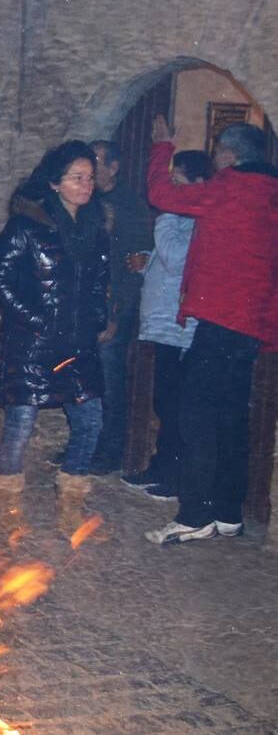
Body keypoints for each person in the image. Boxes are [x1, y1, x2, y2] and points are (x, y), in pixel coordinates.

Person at [143, 117, 278, 545]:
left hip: (221, 321)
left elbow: (160, 194)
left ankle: (195, 512)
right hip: (253, 325)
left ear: (227, 156)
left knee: (194, 413)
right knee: (231, 419)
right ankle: (227, 511)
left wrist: (163, 146)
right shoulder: (271, 192)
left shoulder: (230, 187)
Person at [0, 141, 109, 540]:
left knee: (91, 421)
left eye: (90, 177)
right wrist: (37, 321)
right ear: (55, 183)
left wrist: (99, 317)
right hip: (33, 344)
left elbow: (100, 282)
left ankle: (71, 503)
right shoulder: (27, 226)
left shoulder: (94, 229)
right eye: (77, 177)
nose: (86, 185)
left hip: (78, 345)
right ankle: (10, 504)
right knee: (21, 425)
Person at [123, 150, 210, 499]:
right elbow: (172, 264)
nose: (171, 188)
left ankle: (174, 478)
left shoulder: (194, 215)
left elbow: (177, 258)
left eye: (177, 181)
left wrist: (167, 211)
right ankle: (161, 467)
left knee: (175, 405)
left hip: (180, 327)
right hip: (165, 325)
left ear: (198, 183)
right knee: (165, 401)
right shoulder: (183, 215)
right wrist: (147, 265)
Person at [84, 139, 152, 475]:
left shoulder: (128, 207)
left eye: (96, 161)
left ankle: (109, 453)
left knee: (110, 382)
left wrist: (115, 314)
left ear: (113, 167)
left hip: (113, 307)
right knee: (86, 380)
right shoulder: (87, 199)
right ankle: (87, 445)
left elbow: (132, 268)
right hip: (87, 305)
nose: (89, 169)